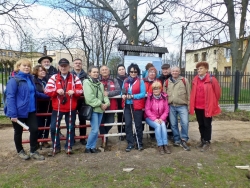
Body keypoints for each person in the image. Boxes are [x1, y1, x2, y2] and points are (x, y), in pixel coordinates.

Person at [4, 59, 48, 160]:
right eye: (24, 65)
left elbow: (34, 93)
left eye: (28, 66)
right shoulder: (14, 80)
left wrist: (49, 96)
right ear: (18, 67)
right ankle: (20, 151)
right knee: (18, 132)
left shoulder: (30, 79)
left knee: (34, 129)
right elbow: (10, 97)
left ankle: (33, 151)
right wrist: (13, 114)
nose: (27, 67)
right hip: (18, 112)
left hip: (31, 110)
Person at [45, 58, 83, 156]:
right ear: (59, 67)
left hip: (71, 107)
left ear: (69, 67)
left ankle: (68, 147)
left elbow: (80, 90)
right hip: (57, 108)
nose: (63, 67)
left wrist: (74, 92)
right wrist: (56, 91)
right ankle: (56, 147)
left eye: (65, 66)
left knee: (70, 128)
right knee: (53, 128)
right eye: (61, 66)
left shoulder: (75, 78)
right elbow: (47, 90)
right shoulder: (53, 77)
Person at [189, 61, 221, 152]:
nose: (199, 70)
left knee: (207, 124)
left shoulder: (212, 79)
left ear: (206, 69)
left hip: (207, 107)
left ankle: (207, 141)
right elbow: (193, 92)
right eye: (198, 69)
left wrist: (213, 102)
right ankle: (202, 140)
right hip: (198, 106)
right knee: (201, 124)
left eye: (201, 68)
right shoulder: (195, 79)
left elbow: (217, 93)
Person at [83, 66, 110, 153]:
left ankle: (92, 147)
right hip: (93, 109)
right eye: (94, 72)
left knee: (96, 129)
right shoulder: (86, 82)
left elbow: (104, 96)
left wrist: (106, 104)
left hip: (100, 110)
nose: (96, 74)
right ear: (89, 73)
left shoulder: (100, 84)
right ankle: (88, 147)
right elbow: (89, 97)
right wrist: (101, 104)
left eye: (97, 72)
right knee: (94, 130)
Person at [164, 66, 191, 151]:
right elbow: (164, 95)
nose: (175, 72)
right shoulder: (167, 82)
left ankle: (184, 139)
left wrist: (189, 106)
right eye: (173, 71)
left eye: (176, 71)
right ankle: (176, 139)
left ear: (179, 72)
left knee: (185, 123)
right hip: (171, 106)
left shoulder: (184, 80)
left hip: (182, 105)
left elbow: (189, 94)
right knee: (173, 124)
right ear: (171, 72)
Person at [122, 63, 146, 152]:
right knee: (128, 124)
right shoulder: (125, 81)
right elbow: (122, 92)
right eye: (131, 71)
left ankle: (139, 142)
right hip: (127, 105)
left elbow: (143, 94)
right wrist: (123, 95)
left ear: (137, 72)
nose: (133, 73)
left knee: (138, 124)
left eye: (135, 71)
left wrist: (132, 96)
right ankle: (130, 143)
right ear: (129, 72)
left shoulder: (141, 81)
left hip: (136, 105)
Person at [145, 81, 171, 154]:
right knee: (158, 126)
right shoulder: (150, 98)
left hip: (161, 118)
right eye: (154, 89)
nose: (156, 90)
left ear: (160, 89)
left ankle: (165, 145)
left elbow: (166, 110)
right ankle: (160, 145)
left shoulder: (164, 98)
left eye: (157, 89)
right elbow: (147, 110)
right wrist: (155, 119)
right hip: (150, 118)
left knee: (162, 125)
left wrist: (161, 119)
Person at [99, 65, 120, 143]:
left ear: (109, 71)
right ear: (100, 72)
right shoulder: (97, 80)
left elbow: (118, 90)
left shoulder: (114, 80)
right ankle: (104, 139)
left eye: (106, 69)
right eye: (103, 70)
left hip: (112, 105)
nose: (104, 71)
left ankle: (105, 134)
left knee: (110, 122)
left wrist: (108, 93)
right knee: (101, 123)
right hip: (100, 106)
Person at [32, 65, 51, 149]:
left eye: (43, 70)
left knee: (47, 123)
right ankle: (37, 140)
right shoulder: (33, 80)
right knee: (39, 124)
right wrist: (47, 96)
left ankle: (45, 140)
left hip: (49, 106)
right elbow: (35, 92)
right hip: (39, 106)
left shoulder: (48, 80)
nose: (43, 72)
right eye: (40, 71)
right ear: (36, 72)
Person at [71, 58, 88, 145]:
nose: (78, 64)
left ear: (81, 65)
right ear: (73, 64)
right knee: (72, 119)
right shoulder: (69, 75)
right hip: (73, 99)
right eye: (76, 63)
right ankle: (72, 137)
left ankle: (82, 138)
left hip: (82, 100)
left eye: (79, 63)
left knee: (82, 119)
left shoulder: (85, 75)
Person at [143, 66, 161, 139]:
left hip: (153, 103)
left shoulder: (158, 82)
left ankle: (152, 135)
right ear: (148, 73)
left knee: (152, 117)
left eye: (154, 72)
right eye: (150, 72)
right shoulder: (143, 81)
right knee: (142, 119)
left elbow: (160, 91)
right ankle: (141, 134)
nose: (152, 73)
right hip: (143, 102)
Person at [158, 64, 173, 140]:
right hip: (161, 101)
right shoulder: (159, 79)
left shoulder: (172, 78)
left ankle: (170, 133)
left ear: (169, 69)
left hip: (170, 101)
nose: (165, 71)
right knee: (163, 117)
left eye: (166, 69)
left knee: (171, 118)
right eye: (163, 69)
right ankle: (163, 133)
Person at [116, 64, 128, 141]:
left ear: (125, 70)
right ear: (118, 71)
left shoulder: (129, 78)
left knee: (127, 118)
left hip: (128, 100)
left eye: (122, 69)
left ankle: (127, 132)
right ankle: (121, 132)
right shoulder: (115, 79)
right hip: (119, 101)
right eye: (119, 69)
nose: (121, 71)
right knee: (120, 117)